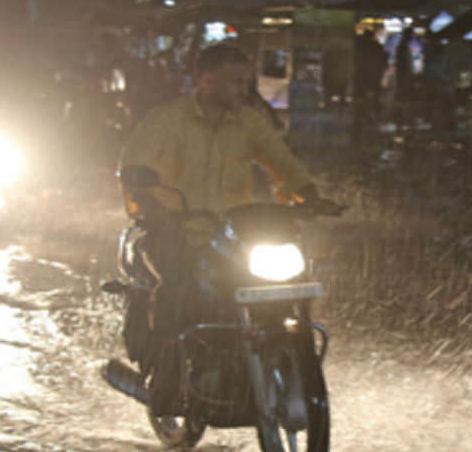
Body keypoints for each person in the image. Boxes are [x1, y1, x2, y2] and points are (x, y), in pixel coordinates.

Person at [117, 41, 339, 411]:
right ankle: (166, 384)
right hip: (175, 232)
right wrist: (151, 208)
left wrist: (309, 195)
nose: (244, 90)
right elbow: (133, 169)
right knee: (178, 294)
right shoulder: (166, 121)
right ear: (206, 80)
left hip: (236, 237)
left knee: (285, 287)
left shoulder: (248, 122)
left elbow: (281, 161)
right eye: (235, 83)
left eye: (246, 82)